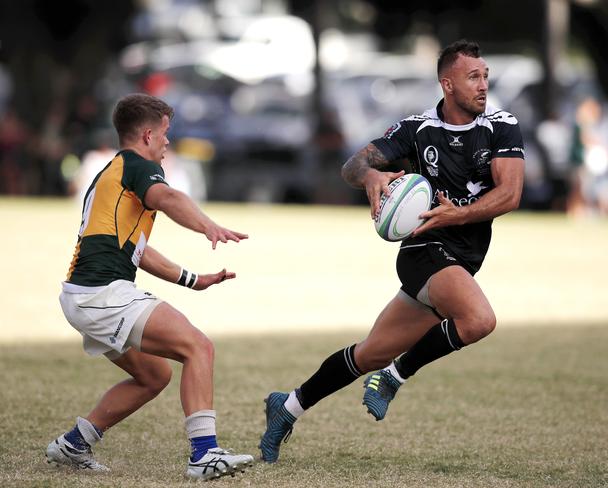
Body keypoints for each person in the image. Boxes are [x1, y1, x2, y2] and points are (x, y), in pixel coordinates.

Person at [259, 40, 525, 463]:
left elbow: (510, 194)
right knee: (478, 320)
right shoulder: (416, 130)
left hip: (462, 257)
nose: (483, 85)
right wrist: (368, 177)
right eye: (473, 77)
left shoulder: (501, 126)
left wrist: (457, 215)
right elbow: (352, 166)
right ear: (447, 84)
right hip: (424, 250)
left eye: (485, 76)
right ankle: (396, 376)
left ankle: (287, 405)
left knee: (369, 352)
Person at [46, 93, 254, 480]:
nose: (167, 142)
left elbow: (137, 251)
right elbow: (169, 198)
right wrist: (207, 225)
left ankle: (74, 443)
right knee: (198, 347)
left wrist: (192, 280)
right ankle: (204, 455)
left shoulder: (114, 171)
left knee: (154, 376)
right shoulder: (139, 167)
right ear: (146, 135)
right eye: (164, 133)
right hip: (103, 294)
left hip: (83, 295)